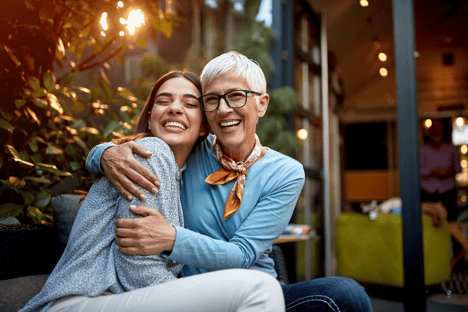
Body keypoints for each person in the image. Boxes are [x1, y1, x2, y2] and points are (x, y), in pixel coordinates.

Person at [87, 51, 373, 311]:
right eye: (212, 100)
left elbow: (244, 253)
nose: (223, 110)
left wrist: (171, 238)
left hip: (257, 294)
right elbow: (144, 147)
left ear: (261, 104)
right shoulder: (191, 150)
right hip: (191, 295)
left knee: (345, 294)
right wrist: (103, 153)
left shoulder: (286, 172)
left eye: (236, 96)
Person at [21, 70, 285, 312]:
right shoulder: (151, 152)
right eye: (163, 101)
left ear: (205, 125)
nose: (175, 109)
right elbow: (138, 271)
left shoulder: (182, 175)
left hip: (118, 299)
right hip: (85, 301)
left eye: (190, 104)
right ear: (149, 115)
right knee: (260, 289)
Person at [420, 119, 461, 222]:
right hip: (428, 191)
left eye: (439, 130)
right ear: (429, 132)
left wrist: (448, 171)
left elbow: (458, 168)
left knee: (451, 220)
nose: (437, 133)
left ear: (443, 132)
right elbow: (418, 170)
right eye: (434, 130)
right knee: (427, 220)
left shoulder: (451, 149)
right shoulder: (422, 150)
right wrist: (433, 172)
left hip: (448, 191)